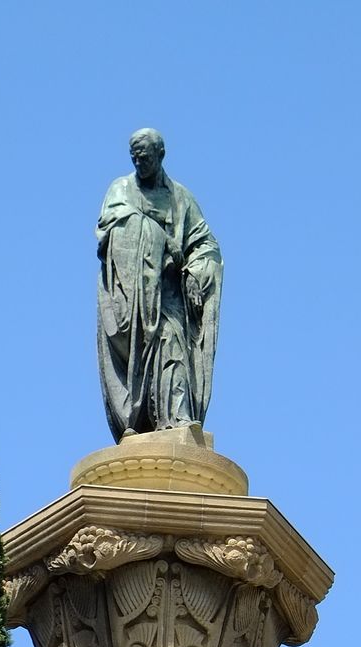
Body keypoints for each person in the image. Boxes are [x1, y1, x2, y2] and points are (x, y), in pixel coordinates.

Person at [96, 129, 222, 441]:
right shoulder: (121, 190)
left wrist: (194, 272)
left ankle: (176, 418)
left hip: (169, 295)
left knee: (172, 344)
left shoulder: (180, 198)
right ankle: (145, 418)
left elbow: (206, 244)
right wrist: (160, 240)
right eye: (135, 159)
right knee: (158, 344)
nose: (140, 164)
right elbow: (110, 230)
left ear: (160, 156)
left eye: (146, 158)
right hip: (136, 297)